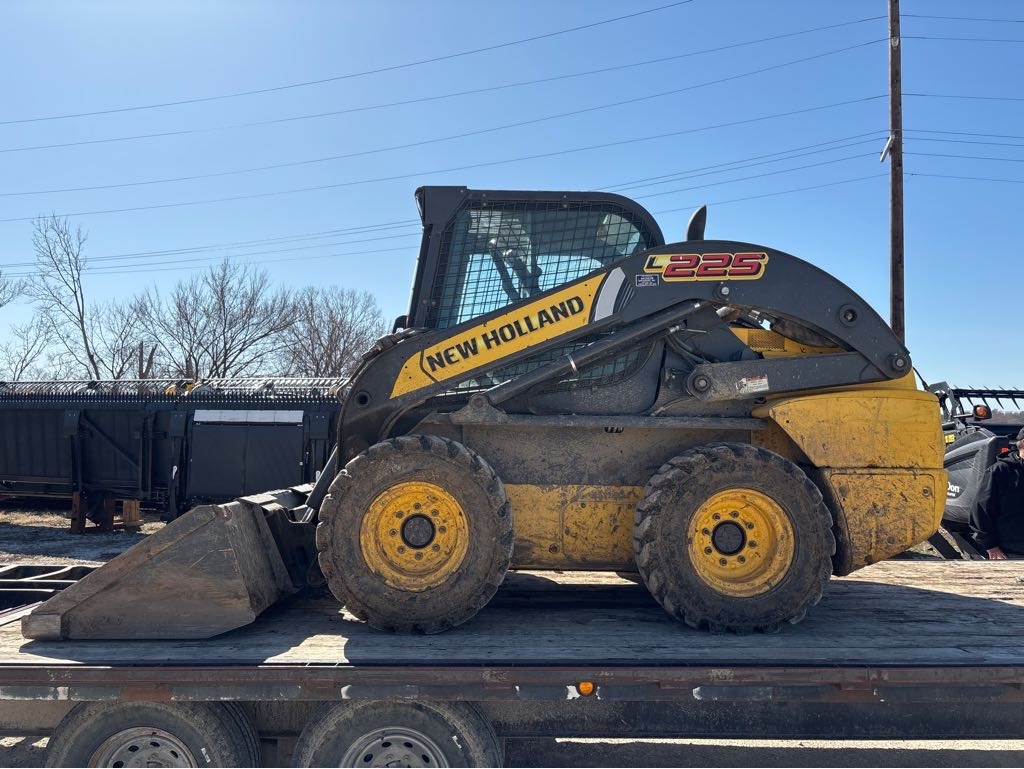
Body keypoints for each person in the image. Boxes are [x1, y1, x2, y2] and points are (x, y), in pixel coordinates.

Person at [972, 428, 1024, 559]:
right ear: (1022, 444)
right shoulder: (1000, 471)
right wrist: (990, 545)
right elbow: (981, 509)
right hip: (1011, 553)